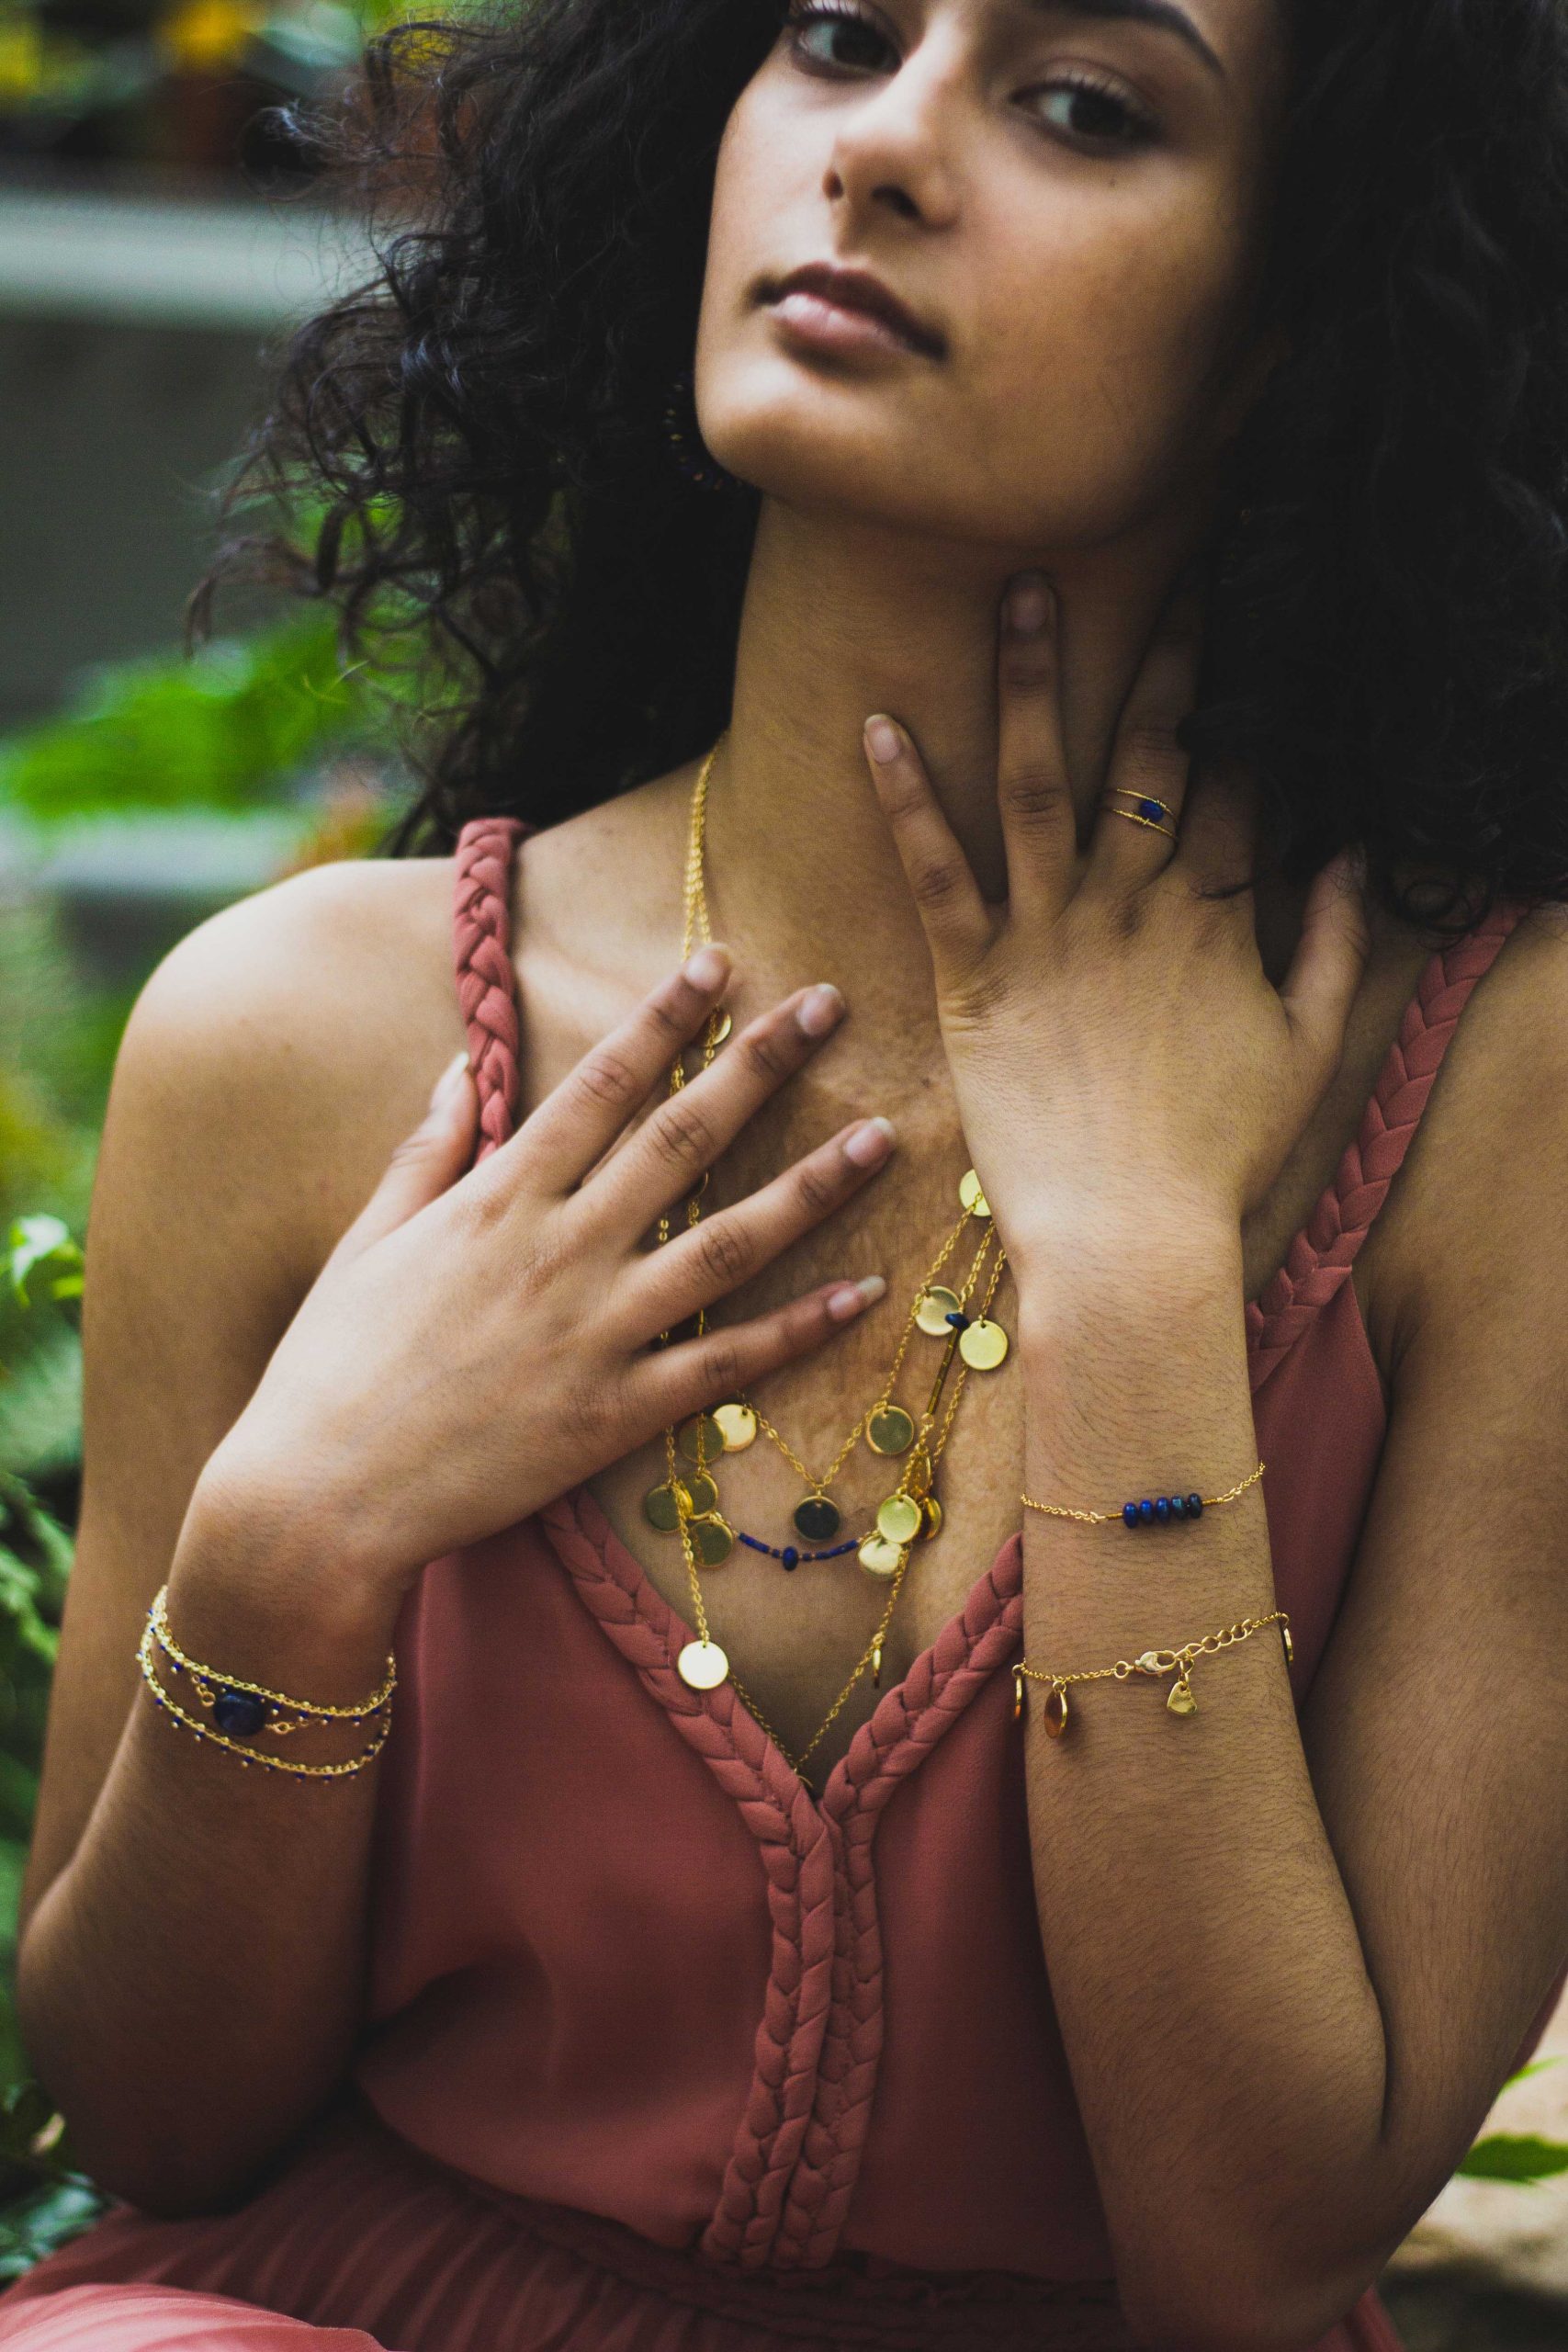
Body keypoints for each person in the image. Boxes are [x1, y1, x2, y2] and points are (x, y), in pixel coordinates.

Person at [3, 0, 1568, 2344]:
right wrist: (293, 1540)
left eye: (1081, 104)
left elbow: (1258, 2240)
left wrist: (1135, 1273)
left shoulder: (1492, 1082)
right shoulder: (310, 1038)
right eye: (837, 37)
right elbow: (160, 2114)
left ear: (1307, 313)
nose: (888, 149)